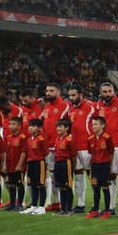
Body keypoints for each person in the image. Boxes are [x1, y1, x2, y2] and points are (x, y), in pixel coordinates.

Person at [94, 82, 118, 217]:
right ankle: (111, 207)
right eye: (105, 92)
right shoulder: (98, 106)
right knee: (109, 176)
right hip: (105, 146)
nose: (107, 94)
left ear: (113, 92)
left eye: (110, 91)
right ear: (101, 93)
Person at [66, 86, 99, 214]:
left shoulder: (91, 106)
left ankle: (96, 205)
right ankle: (80, 204)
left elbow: (100, 123)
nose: (71, 98)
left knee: (92, 176)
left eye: (74, 95)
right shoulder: (70, 109)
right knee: (78, 175)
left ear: (81, 94)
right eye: (70, 95)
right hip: (75, 147)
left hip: (87, 147)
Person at [39, 82, 71, 211]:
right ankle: (56, 201)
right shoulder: (46, 106)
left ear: (58, 92)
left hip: (61, 146)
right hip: (48, 145)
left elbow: (70, 124)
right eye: (47, 91)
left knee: (66, 176)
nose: (48, 93)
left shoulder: (65, 106)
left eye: (51, 91)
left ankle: (68, 203)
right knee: (52, 176)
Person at [86, 115, 114, 218]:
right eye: (92, 124)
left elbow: (111, 152)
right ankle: (95, 210)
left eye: (96, 124)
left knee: (105, 188)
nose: (93, 126)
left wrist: (110, 166)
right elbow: (90, 153)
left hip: (104, 166)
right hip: (94, 167)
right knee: (95, 187)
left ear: (102, 125)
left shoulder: (107, 137)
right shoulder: (90, 139)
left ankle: (107, 211)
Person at [22, 118, 48, 215]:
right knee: (33, 185)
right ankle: (33, 206)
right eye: (29, 126)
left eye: (33, 126)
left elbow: (45, 152)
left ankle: (42, 207)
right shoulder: (29, 139)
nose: (30, 128)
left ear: (39, 128)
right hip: (31, 163)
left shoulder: (42, 138)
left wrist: (41, 160)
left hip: (39, 163)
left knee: (40, 185)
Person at [51, 117, 76, 217]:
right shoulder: (57, 139)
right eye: (57, 127)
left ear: (67, 128)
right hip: (58, 163)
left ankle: (68, 209)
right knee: (61, 187)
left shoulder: (69, 140)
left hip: (66, 163)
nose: (58, 128)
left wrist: (73, 167)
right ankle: (63, 209)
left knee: (67, 186)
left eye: (60, 126)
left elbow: (73, 155)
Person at [3, 114, 28, 213]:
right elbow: (6, 152)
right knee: (11, 185)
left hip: (19, 166)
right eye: (10, 124)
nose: (10, 126)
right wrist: (5, 165)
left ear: (19, 126)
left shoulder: (22, 137)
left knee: (19, 184)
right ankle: (12, 204)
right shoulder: (9, 137)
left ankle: (20, 204)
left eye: (13, 124)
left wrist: (19, 165)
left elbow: (24, 152)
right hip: (10, 166)